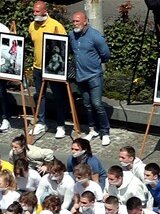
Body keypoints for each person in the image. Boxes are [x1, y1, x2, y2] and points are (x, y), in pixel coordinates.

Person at [69, 11, 111, 146]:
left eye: (77, 21)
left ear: (85, 21)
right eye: (73, 21)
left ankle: (105, 131)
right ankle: (93, 130)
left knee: (97, 104)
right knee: (87, 105)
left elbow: (105, 54)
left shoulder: (95, 36)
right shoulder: (71, 35)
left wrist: (95, 63)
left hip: (94, 76)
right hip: (80, 77)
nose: (75, 23)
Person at [29, 1, 67, 138]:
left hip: (53, 69)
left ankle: (60, 125)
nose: (35, 14)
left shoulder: (56, 26)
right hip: (38, 67)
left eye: (37, 11)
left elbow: (63, 48)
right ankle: (41, 122)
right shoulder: (32, 26)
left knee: (58, 97)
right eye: (34, 11)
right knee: (40, 96)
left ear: (45, 11)